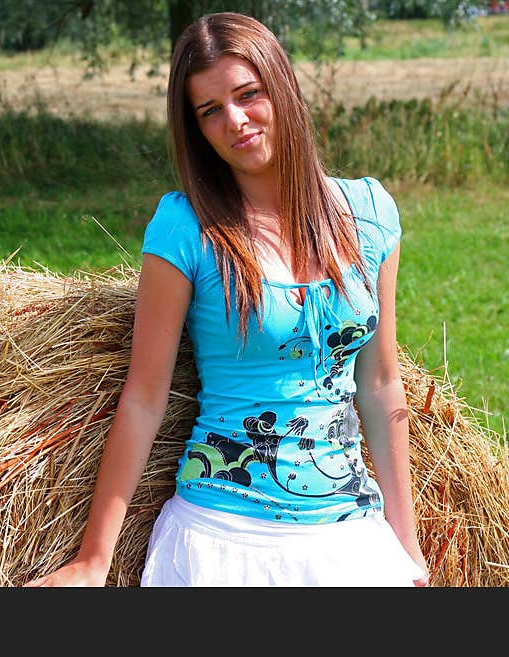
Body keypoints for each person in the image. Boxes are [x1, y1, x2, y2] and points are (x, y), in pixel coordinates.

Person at [24, 11, 429, 587]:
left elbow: (381, 383)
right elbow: (145, 395)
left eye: (248, 95)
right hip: (220, 540)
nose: (235, 121)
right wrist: (93, 560)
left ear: (282, 87)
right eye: (210, 111)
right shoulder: (185, 228)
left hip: (351, 538)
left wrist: (405, 546)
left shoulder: (370, 213)